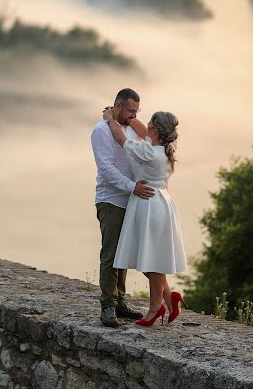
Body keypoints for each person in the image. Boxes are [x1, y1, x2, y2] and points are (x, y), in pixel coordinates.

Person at [103, 106, 187, 326]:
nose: (145, 126)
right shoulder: (169, 148)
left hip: (148, 204)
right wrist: (132, 119)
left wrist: (111, 119)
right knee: (151, 259)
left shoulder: (149, 152)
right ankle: (169, 297)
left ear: (155, 131)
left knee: (152, 262)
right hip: (162, 201)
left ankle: (155, 309)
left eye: (150, 124)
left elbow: (123, 140)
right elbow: (143, 132)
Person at [91, 88, 155, 328]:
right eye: (131, 111)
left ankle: (120, 303)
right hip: (111, 199)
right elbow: (105, 168)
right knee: (110, 253)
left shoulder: (129, 127)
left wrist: (132, 118)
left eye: (137, 111)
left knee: (123, 252)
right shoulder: (100, 131)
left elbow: (148, 136)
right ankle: (107, 306)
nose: (134, 116)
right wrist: (132, 187)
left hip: (130, 198)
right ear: (118, 106)